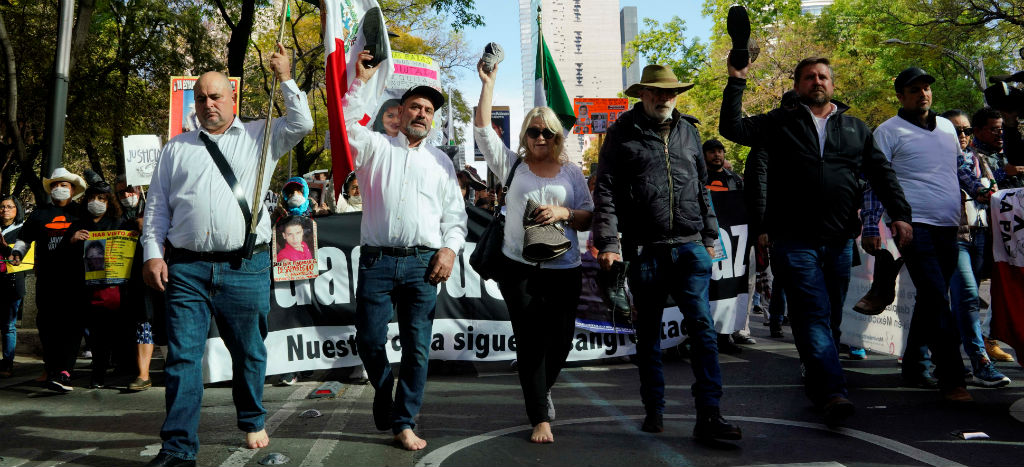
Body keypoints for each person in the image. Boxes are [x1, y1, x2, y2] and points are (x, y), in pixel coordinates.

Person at [140, 43, 312, 467]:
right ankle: (178, 448)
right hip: (186, 268)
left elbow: (303, 122)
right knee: (182, 359)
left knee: (250, 351)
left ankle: (252, 416)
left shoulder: (262, 134)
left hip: (245, 266)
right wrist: (151, 252)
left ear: (233, 98)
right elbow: (158, 207)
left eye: (216, 96)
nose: (208, 103)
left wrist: (286, 76)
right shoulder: (176, 148)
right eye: (200, 98)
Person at [720, 56, 912, 427]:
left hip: (839, 241)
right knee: (811, 313)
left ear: (833, 85)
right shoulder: (779, 124)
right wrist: (737, 78)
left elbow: (882, 174)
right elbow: (732, 127)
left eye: (823, 76)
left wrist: (900, 214)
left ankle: (816, 369)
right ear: (797, 85)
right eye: (809, 77)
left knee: (831, 318)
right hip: (793, 241)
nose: (817, 81)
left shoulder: (856, 129)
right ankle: (832, 391)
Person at [593, 64, 742, 440]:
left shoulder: (689, 131)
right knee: (648, 335)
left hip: (691, 248)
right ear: (642, 93)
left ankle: (710, 413)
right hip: (645, 252)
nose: (664, 98)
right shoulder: (621, 133)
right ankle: (653, 408)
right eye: (657, 92)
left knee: (704, 332)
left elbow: (701, 187)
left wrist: (710, 236)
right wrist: (609, 243)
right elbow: (606, 190)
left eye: (671, 92)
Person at [344, 51, 467, 451]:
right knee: (368, 340)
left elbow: (456, 218)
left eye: (429, 109)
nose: (422, 114)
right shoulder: (374, 147)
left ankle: (404, 420)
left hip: (423, 265)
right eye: (415, 106)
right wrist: (360, 83)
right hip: (377, 261)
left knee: (417, 349)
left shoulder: (442, 163)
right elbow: (347, 124)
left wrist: (449, 251)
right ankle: (384, 393)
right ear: (399, 112)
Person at [475, 59, 594, 444]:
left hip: (565, 268)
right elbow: (481, 131)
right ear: (524, 136)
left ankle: (542, 391)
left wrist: (564, 212)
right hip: (519, 268)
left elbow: (589, 217)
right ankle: (539, 417)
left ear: (557, 136)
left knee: (559, 340)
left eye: (546, 132)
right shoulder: (512, 166)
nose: (539, 138)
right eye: (532, 132)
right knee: (529, 341)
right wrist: (488, 84)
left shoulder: (571, 173)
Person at [861, 68, 990, 400]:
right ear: (900, 95)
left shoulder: (947, 127)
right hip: (911, 226)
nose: (924, 94)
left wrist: (982, 192)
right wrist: (871, 224)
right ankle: (953, 378)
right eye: (915, 90)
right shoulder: (887, 132)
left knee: (930, 298)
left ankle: (915, 367)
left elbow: (961, 167)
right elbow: (876, 179)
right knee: (936, 297)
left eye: (927, 89)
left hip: (949, 225)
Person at [939, 108, 1011, 387]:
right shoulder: (939, 162)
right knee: (968, 296)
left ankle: (935, 360)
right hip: (953, 235)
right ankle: (981, 362)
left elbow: (995, 193)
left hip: (982, 236)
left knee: (961, 303)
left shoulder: (980, 159)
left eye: (967, 130)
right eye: (956, 130)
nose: (963, 136)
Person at [10, 168, 88, 393]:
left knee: (72, 325)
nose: (59, 188)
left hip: (75, 280)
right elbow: (24, 239)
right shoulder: (40, 214)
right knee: (47, 325)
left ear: (73, 189)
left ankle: (64, 371)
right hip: (47, 278)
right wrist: (17, 253)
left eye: (64, 185)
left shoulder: (82, 213)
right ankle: (52, 367)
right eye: (55, 185)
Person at [968, 107, 1017, 362]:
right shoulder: (971, 155)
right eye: (994, 129)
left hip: (1011, 230)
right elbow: (978, 187)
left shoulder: (1009, 151)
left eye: (1002, 128)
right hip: (982, 229)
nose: (1000, 134)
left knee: (1006, 284)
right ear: (977, 131)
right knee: (974, 287)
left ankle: (997, 337)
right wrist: (1004, 173)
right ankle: (980, 342)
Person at [69, 178, 126, 389]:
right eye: (92, 198)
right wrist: (73, 239)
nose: (96, 202)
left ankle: (119, 364)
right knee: (95, 333)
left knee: (113, 330)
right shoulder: (77, 225)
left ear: (109, 201)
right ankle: (98, 372)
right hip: (85, 287)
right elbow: (65, 253)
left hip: (111, 287)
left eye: (101, 198)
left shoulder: (118, 224)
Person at [701, 138, 755, 352]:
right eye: (712, 152)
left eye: (720, 151)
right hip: (705, 242)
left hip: (733, 245)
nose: (717, 155)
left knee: (729, 289)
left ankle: (725, 337)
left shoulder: (734, 180)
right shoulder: (698, 178)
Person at [115, 176, 157, 392]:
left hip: (163, 276)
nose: (126, 196)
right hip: (135, 281)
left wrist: (148, 227)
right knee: (143, 322)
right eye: (121, 193)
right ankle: (143, 374)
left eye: (130, 191)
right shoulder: (119, 218)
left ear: (140, 190)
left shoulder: (157, 210)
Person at [0, 195, 26, 378]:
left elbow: (18, 258)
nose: (5, 210)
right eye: (2, 207)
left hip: (12, 282)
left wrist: (4, 247)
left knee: (8, 324)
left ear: (17, 210)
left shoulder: (23, 231)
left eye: (9, 206)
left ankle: (7, 363)